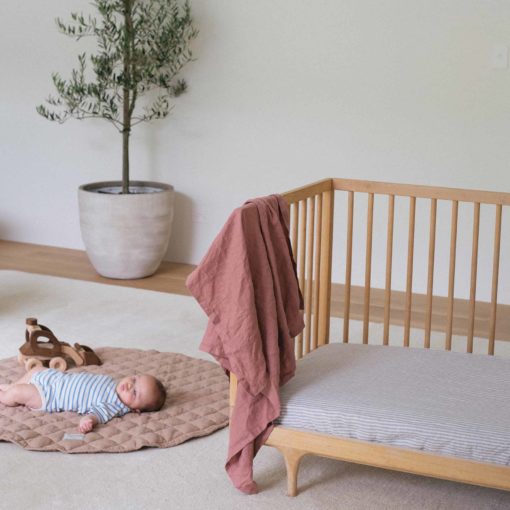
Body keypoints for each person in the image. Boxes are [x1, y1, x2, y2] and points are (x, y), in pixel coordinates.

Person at [0, 367, 166, 433]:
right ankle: (9, 386)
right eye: (135, 379)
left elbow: (97, 414)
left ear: (135, 409)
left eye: (135, 393)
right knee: (34, 370)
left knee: (17, 392)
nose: (130, 385)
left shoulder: (114, 405)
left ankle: (5, 394)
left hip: (49, 396)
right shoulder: (114, 383)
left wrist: (88, 420)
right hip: (56, 379)